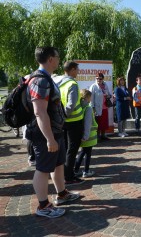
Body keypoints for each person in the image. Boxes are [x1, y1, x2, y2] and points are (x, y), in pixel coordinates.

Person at [25, 46, 79, 218]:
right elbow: (39, 112)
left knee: (57, 164)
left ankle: (62, 193)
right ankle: (43, 206)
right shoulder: (40, 80)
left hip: (55, 131)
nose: (59, 59)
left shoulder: (47, 78)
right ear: (50, 59)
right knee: (43, 168)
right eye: (57, 56)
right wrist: (49, 139)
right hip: (44, 133)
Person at [56, 61, 84, 185]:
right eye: (77, 69)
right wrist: (65, 115)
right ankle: (69, 177)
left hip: (64, 122)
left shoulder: (59, 83)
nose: (78, 72)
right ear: (72, 70)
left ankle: (66, 174)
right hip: (74, 121)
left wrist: (62, 117)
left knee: (67, 149)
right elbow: (71, 104)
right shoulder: (72, 83)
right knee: (72, 150)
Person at [74, 89, 98, 178]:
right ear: (87, 98)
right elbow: (88, 123)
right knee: (87, 153)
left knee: (82, 152)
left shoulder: (80, 107)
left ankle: (76, 170)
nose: (91, 99)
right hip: (88, 136)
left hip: (83, 134)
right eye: (90, 97)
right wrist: (86, 136)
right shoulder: (88, 108)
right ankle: (86, 171)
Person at [90, 73, 112, 140]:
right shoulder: (93, 86)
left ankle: (103, 135)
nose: (98, 79)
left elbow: (109, 94)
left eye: (100, 78)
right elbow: (91, 99)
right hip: (97, 108)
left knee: (104, 122)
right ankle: (97, 137)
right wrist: (93, 108)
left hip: (105, 107)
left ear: (103, 79)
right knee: (97, 123)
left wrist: (108, 95)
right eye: (97, 78)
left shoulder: (105, 85)